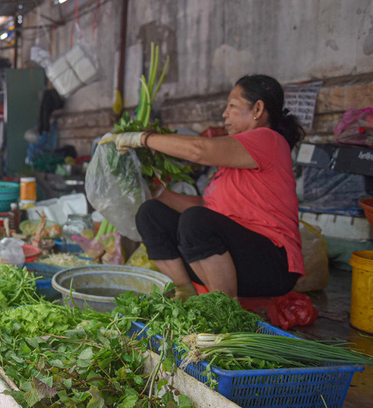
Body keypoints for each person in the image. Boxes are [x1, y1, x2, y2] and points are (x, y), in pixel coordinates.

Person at [102, 74, 305, 299]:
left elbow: (200, 150)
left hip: (274, 265)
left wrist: (142, 139)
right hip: (235, 255)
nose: (224, 114)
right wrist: (157, 192)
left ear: (257, 110)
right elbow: (207, 207)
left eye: (232, 106)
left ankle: (223, 308)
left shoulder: (269, 140)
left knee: (195, 220)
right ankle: (184, 291)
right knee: (150, 214)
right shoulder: (233, 162)